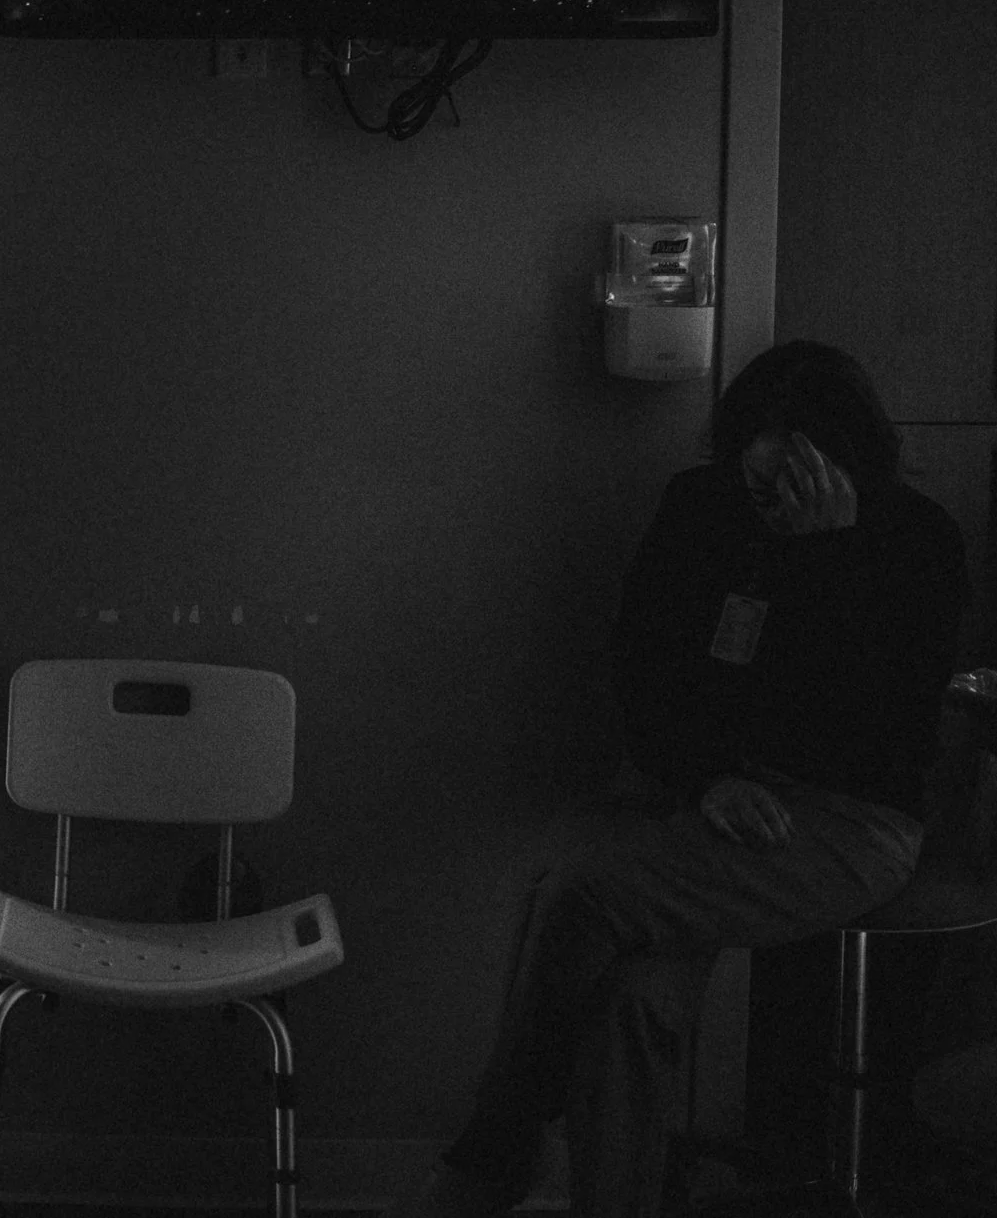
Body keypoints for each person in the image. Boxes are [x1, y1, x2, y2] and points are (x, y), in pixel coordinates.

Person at [392, 340, 967, 1218]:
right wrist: (706, 778)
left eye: (793, 478)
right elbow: (647, 671)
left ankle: (495, 1146)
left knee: (581, 890)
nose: (769, 497)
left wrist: (823, 565)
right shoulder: (702, 509)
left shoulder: (917, 541)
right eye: (759, 475)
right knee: (628, 999)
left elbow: (873, 734)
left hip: (848, 818)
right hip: (695, 791)